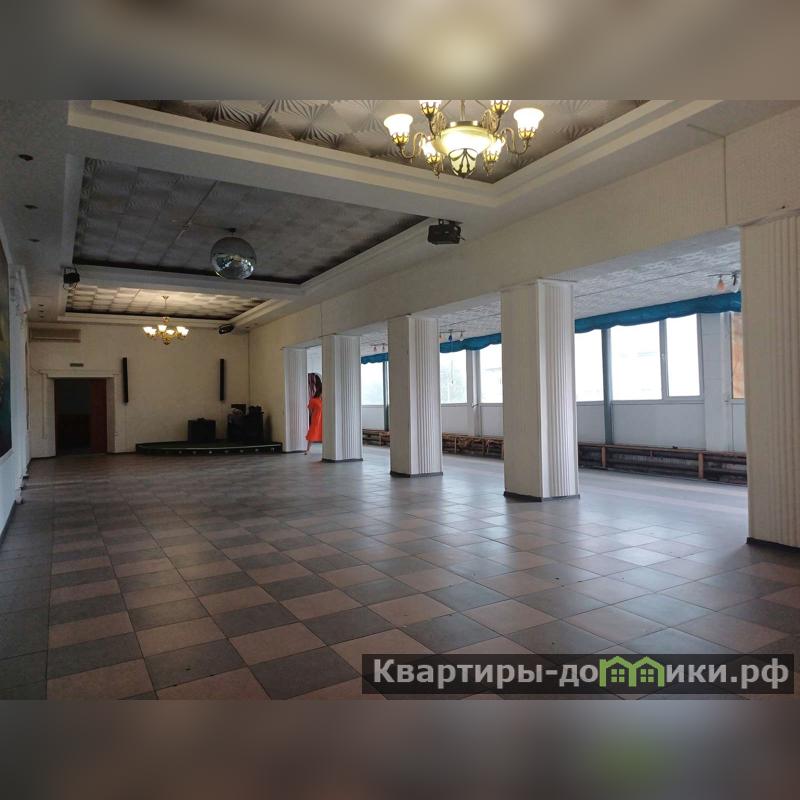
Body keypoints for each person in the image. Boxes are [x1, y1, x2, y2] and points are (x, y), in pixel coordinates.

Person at [305, 373, 323, 454]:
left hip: (323, 419)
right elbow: (310, 410)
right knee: (312, 433)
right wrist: (313, 416)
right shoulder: (313, 400)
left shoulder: (323, 400)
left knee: (324, 433)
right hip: (316, 418)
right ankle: (308, 449)